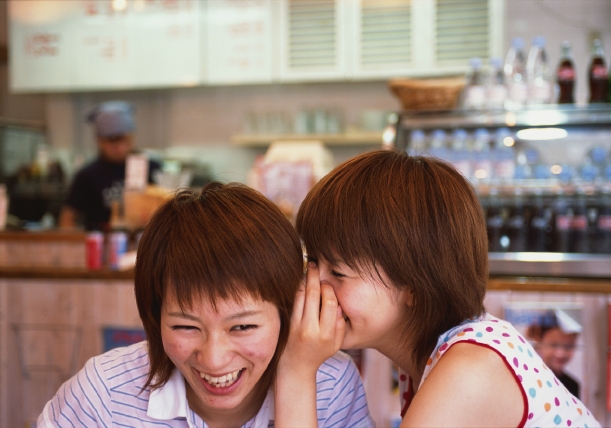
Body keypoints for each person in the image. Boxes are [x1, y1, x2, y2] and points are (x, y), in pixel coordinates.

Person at [290, 150, 600, 427]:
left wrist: (296, 369)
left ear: (414, 284)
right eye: (314, 262)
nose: (314, 285)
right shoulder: (433, 355)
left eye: (340, 273)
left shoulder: (469, 369)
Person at [38, 181, 373, 427]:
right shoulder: (104, 394)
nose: (213, 359)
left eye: (243, 326)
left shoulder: (330, 388)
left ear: (291, 310)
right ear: (155, 318)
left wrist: (296, 378)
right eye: (185, 326)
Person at [58, 100, 161, 231]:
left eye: (124, 140)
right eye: (111, 142)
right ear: (99, 141)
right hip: (100, 245)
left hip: (145, 244)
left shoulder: (151, 168)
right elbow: (68, 216)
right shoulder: (87, 175)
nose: (119, 148)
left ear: (132, 138)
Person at [527, 309, 582, 398]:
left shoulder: (573, 385)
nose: (560, 353)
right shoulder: (528, 379)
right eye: (553, 345)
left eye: (568, 346)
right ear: (538, 342)